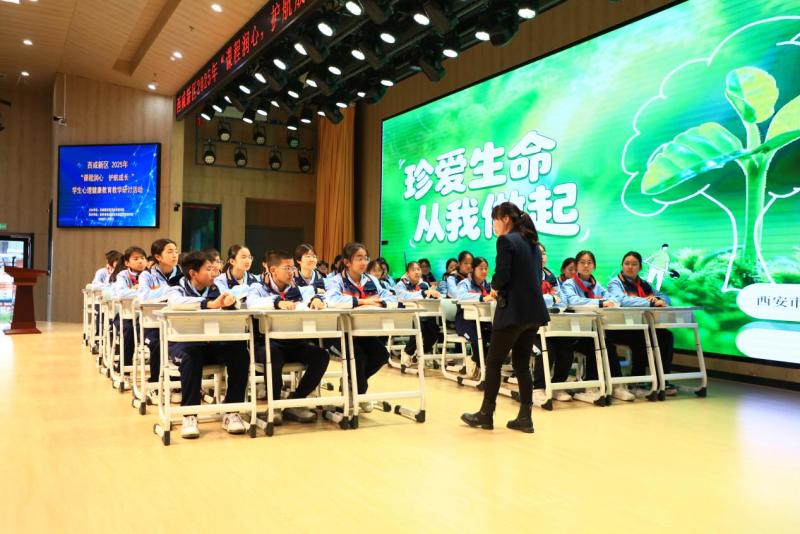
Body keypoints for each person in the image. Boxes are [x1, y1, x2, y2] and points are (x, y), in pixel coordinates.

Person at [461, 202, 549, 433]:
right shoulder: (533, 243)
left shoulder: (506, 241)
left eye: (495, 220)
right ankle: (525, 417)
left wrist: (495, 288)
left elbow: (502, 276)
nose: (494, 225)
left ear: (506, 219)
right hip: (533, 313)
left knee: (493, 362)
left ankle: (486, 414)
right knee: (522, 364)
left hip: (512, 312)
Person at [167, 251, 250, 439]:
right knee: (191, 357)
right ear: (193, 273)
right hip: (184, 344)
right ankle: (190, 415)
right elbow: (176, 303)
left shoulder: (216, 287)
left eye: (214, 268)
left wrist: (230, 303)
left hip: (213, 342)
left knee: (240, 353)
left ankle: (231, 411)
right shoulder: (176, 288)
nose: (214, 273)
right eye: (208, 269)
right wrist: (210, 304)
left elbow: (233, 301)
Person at [247, 250, 329, 424]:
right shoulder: (258, 287)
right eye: (287, 268)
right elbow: (251, 303)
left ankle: (295, 402)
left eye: (293, 268)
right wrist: (277, 302)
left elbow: (312, 295)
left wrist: (316, 299)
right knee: (273, 354)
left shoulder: (296, 287)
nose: (292, 272)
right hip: (266, 343)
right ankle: (274, 406)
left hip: (294, 342)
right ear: (272, 270)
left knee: (321, 356)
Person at [324, 242, 397, 412]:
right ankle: (359, 391)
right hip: (339, 333)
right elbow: (333, 300)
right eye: (359, 258)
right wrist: (363, 301)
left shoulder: (371, 280)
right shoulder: (335, 280)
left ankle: (354, 386)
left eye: (366, 258)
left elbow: (391, 298)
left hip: (364, 332)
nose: (364, 262)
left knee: (381, 355)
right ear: (347, 262)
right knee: (358, 356)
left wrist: (381, 303)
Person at [561, 250, 635, 402]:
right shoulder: (569, 284)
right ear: (576, 265)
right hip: (573, 332)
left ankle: (616, 385)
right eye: (582, 262)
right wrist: (601, 302)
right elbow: (573, 301)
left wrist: (612, 301)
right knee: (594, 344)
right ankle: (591, 386)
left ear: (594, 266)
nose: (586, 265)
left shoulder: (597, 285)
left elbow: (613, 298)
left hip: (593, 330)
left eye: (589, 262)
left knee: (607, 344)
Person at [608, 251, 676, 395]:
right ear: (622, 265)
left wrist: (661, 300)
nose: (630, 267)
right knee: (641, 337)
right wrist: (649, 302)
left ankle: (663, 379)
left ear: (640, 267)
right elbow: (620, 300)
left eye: (634, 264)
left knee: (666, 336)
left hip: (640, 326)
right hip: (617, 328)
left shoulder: (644, 284)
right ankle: (637, 380)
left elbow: (663, 295)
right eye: (627, 264)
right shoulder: (615, 283)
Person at [137, 238, 182, 385]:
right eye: (170, 252)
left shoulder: (183, 274)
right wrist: (170, 290)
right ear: (158, 257)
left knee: (185, 345)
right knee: (157, 343)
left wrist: (159, 292)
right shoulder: (147, 275)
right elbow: (144, 296)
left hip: (177, 324)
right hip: (153, 325)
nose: (174, 255)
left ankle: (178, 382)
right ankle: (155, 382)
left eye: (176, 251)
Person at [454, 256, 495, 379]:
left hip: (484, 321)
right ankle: (476, 363)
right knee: (478, 341)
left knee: (494, 340)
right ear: (473, 269)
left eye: (486, 268)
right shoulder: (465, 283)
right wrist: (482, 298)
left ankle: (476, 362)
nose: (484, 271)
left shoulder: (488, 285)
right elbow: (460, 296)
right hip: (465, 322)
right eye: (481, 268)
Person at [394, 261, 441, 363]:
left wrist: (433, 295)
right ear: (407, 273)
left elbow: (427, 298)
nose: (417, 272)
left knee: (434, 329)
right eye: (413, 270)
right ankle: (407, 352)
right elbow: (404, 296)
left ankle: (421, 352)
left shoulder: (424, 284)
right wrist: (423, 293)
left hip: (422, 316)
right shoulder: (401, 284)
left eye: (418, 269)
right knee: (420, 327)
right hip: (405, 316)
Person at [109, 246, 148, 369]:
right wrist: (142, 291)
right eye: (136, 259)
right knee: (129, 330)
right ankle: (125, 366)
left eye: (143, 258)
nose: (140, 261)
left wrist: (140, 290)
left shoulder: (151, 274)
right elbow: (122, 293)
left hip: (146, 315)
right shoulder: (123, 275)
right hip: (125, 315)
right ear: (127, 263)